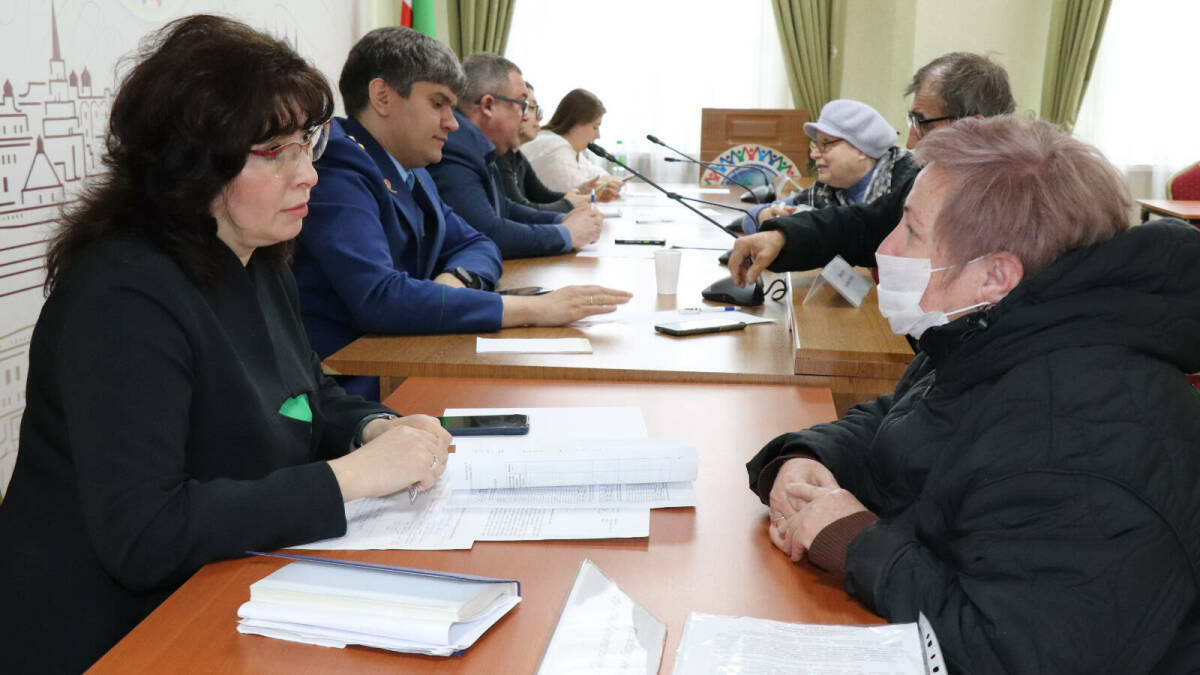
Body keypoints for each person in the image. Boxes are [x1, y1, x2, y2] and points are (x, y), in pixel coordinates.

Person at [0, 16, 455, 672]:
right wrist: (349, 477)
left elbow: (302, 397)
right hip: (108, 637)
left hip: (223, 589)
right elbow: (145, 534)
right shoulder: (123, 295)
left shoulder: (255, 254)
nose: (310, 174)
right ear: (193, 161)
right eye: (275, 151)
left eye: (308, 142)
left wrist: (373, 429)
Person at [746, 115, 1200, 673]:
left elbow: (1010, 655)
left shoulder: (1087, 438)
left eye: (911, 231)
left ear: (994, 276)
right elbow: (907, 424)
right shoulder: (997, 333)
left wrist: (854, 542)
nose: (886, 247)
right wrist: (806, 458)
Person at [292, 28, 631, 399]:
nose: (453, 123)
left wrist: (454, 282)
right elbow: (380, 299)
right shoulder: (339, 165)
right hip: (351, 386)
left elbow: (478, 242)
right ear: (383, 97)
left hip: (409, 356)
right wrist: (534, 309)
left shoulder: (412, 168)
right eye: (437, 104)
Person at [729, 52, 1015, 284]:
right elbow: (864, 226)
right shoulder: (930, 180)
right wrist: (782, 236)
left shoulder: (1016, 205)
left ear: (973, 127)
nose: (911, 142)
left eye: (922, 123)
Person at [427, 53, 604, 258]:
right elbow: (487, 233)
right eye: (521, 105)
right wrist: (566, 234)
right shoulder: (456, 147)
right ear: (488, 106)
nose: (526, 117)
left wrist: (561, 220)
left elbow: (506, 208)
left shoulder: (480, 146)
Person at [739, 99, 917, 234]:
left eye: (825, 144)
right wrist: (764, 216)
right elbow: (750, 217)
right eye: (815, 144)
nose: (814, 154)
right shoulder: (825, 191)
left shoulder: (908, 188)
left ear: (862, 149)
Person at [495, 81, 590, 214]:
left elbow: (542, 195)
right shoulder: (498, 157)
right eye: (531, 107)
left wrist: (578, 197)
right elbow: (519, 211)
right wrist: (568, 204)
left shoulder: (517, 156)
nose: (539, 117)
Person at [521, 87, 623, 200]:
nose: (598, 136)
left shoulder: (566, 147)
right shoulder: (554, 146)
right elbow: (576, 191)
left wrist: (606, 182)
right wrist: (602, 185)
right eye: (595, 127)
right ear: (575, 124)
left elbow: (595, 174)